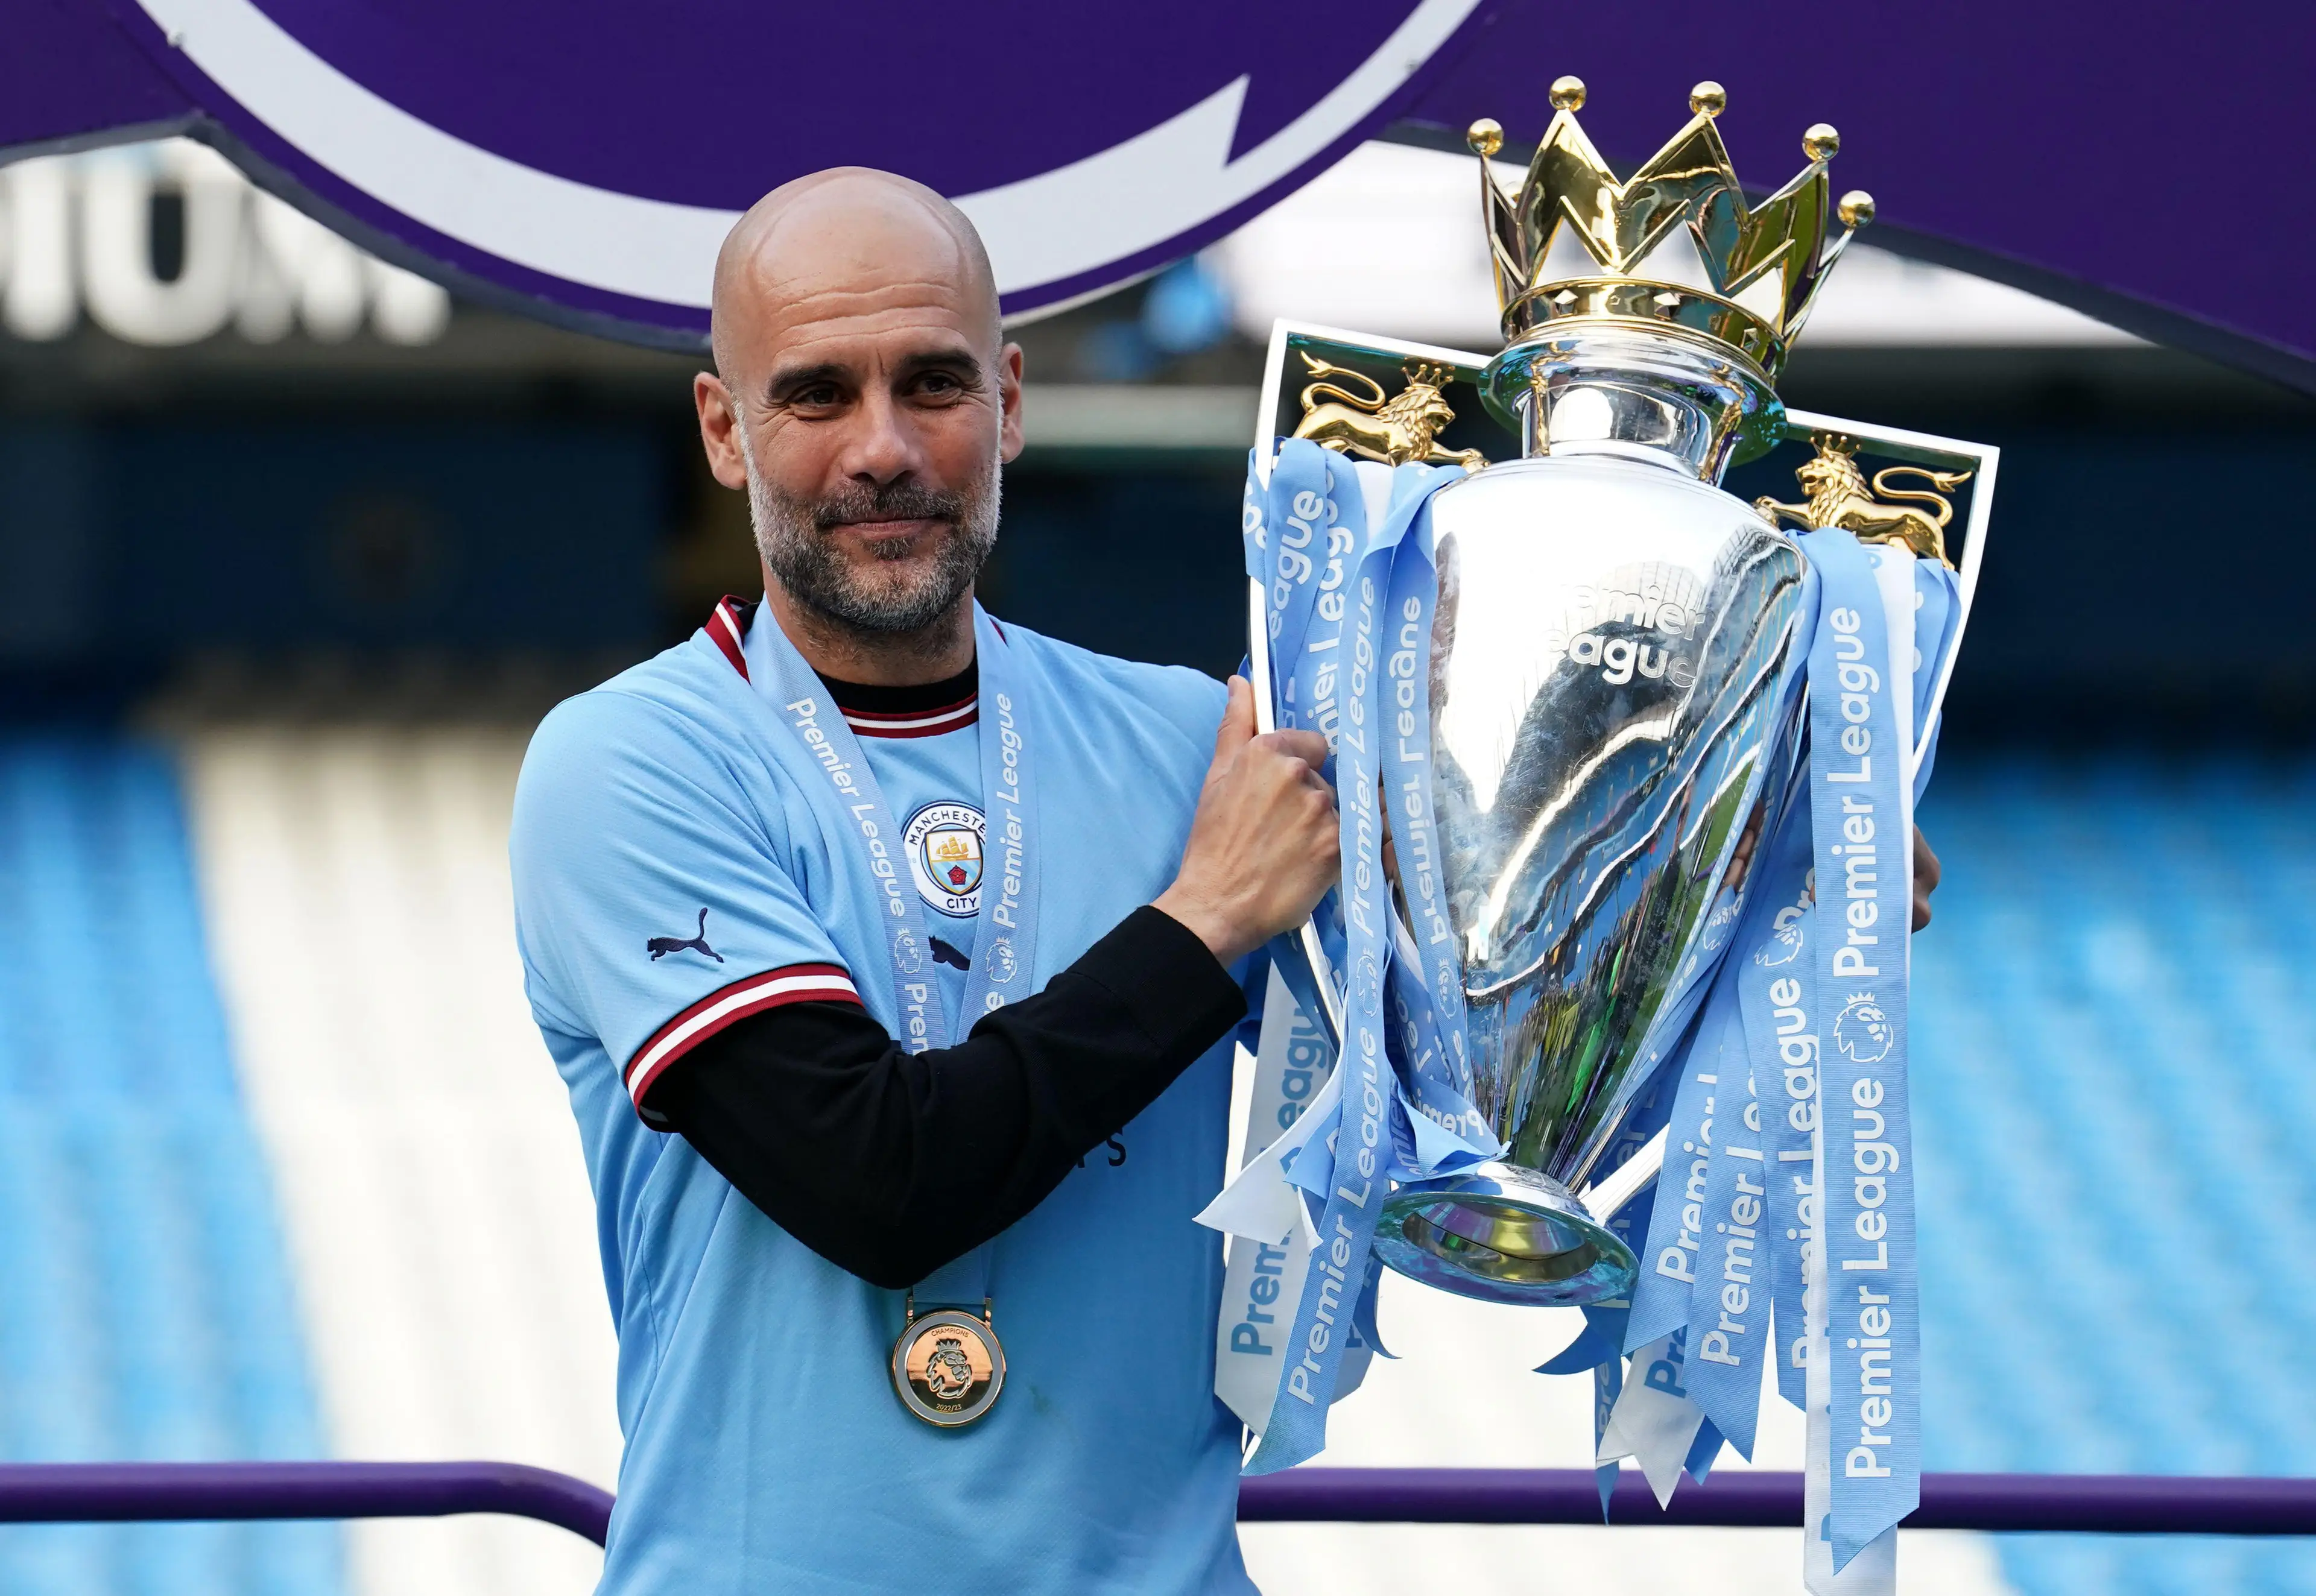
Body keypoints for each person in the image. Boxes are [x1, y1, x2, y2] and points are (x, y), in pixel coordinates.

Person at [510, 168, 1337, 1594]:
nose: (882, 450)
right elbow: (881, 1181)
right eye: (818, 394)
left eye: (934, 384)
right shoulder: (629, 764)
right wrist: (1205, 923)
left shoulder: (1199, 742)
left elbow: (1464, 1079)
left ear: (1010, 402)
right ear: (725, 428)